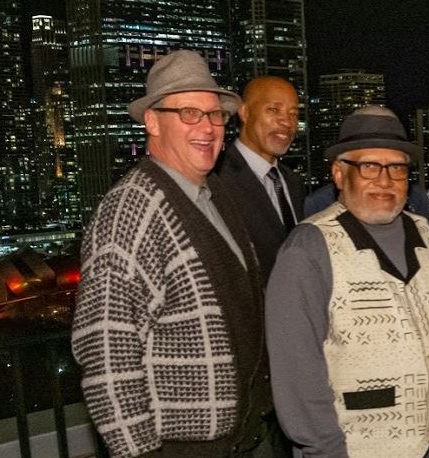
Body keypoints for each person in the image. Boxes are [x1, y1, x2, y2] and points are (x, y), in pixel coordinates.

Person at [71, 50, 273, 457]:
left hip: (244, 437)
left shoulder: (216, 196)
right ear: (152, 121)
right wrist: (140, 452)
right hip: (181, 449)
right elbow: (108, 353)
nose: (208, 128)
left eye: (215, 115)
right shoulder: (130, 209)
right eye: (188, 113)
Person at [265, 106, 429, 458]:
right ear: (339, 174)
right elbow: (297, 374)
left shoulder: (428, 234)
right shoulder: (309, 247)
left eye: (397, 168)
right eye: (369, 166)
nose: (384, 181)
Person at [212, 75, 306, 279]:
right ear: (245, 112)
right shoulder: (216, 180)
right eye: (274, 110)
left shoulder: (293, 182)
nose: (287, 122)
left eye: (294, 114)